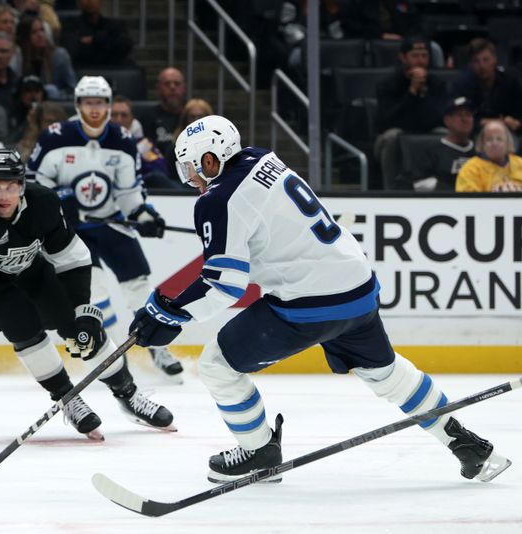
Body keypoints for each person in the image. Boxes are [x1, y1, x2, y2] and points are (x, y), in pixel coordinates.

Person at [128, 114, 511, 484]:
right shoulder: (262, 158)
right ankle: (466, 444)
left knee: (216, 364)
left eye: (193, 168)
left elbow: (225, 285)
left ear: (211, 159)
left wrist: (167, 314)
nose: (191, 179)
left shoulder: (216, 200)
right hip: (358, 290)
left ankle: (258, 450)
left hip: (310, 303)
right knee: (386, 373)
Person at [0, 148, 175, 438]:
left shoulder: (43, 202)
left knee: (83, 327)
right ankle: (66, 397)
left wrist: (82, 309)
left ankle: (129, 395)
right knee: (19, 319)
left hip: (30, 269)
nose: (4, 196)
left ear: (23, 184)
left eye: (12, 186)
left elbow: (72, 257)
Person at [27, 75, 185, 381]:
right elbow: (34, 184)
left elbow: (129, 192)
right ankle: (111, 350)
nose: (95, 109)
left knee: (138, 284)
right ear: (77, 105)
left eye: (100, 102)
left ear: (109, 105)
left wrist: (142, 213)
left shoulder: (123, 140)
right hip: (70, 229)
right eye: (88, 102)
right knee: (94, 287)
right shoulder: (54, 137)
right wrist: (58, 200)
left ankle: (156, 348)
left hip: (110, 223)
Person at [374, 36, 448, 188]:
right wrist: (412, 92)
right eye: (415, 56)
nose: (420, 61)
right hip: (395, 134)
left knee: (444, 134)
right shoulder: (388, 83)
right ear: (403, 57)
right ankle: (390, 191)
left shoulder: (437, 84)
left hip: (426, 133)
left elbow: (440, 118)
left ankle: (443, 187)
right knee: (392, 136)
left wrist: (423, 94)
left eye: (424, 56)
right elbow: (387, 120)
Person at [394, 96, 476, 192]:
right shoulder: (430, 152)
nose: (465, 119)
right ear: (447, 120)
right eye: (459, 115)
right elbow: (407, 184)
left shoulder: (480, 151)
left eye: (468, 115)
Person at [451, 38, 522, 135]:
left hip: (508, 133)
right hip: (474, 135)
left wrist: (517, 122)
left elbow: (519, 112)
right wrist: (487, 122)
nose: (482, 66)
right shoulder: (462, 85)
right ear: (470, 64)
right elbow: (459, 119)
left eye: (486, 60)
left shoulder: (510, 82)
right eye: (476, 61)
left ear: (495, 59)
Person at [111, 95, 178, 190]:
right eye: (114, 115)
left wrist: (137, 154)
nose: (119, 120)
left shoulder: (144, 144)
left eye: (124, 115)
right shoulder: (97, 142)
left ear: (131, 119)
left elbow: (162, 171)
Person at [15, 14, 76, 100]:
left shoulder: (59, 55)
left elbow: (72, 89)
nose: (40, 35)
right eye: (34, 32)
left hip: (54, 103)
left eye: (42, 30)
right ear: (25, 38)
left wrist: (55, 94)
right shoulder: (18, 57)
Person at [61, 0, 134, 68]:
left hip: (112, 71)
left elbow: (125, 46)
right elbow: (72, 49)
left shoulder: (115, 25)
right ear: (78, 2)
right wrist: (107, 42)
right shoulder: (70, 24)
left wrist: (94, 39)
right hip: (81, 71)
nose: (90, 1)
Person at [455, 119, 522, 192]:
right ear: (482, 144)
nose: (494, 143)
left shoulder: (520, 163)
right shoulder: (470, 169)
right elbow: (467, 200)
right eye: (489, 139)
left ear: (508, 142)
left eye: (499, 139)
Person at [137, 67, 187, 158]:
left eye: (177, 83)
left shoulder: (192, 116)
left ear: (184, 87)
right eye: (167, 84)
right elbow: (143, 150)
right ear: (158, 88)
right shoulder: (147, 117)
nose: (172, 87)